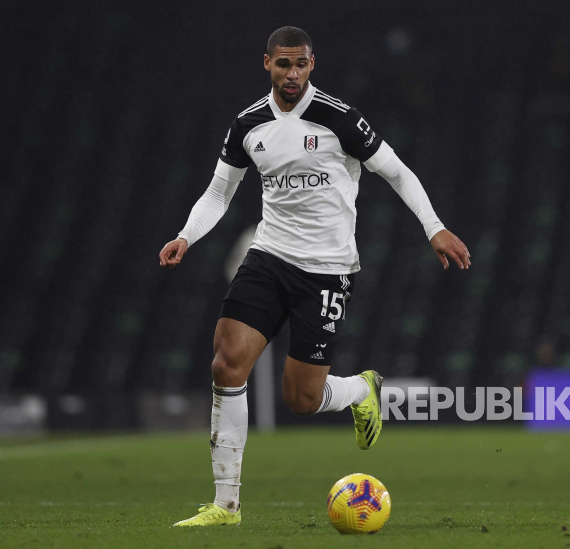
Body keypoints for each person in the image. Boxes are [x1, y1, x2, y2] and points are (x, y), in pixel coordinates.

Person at [158, 26, 471, 527]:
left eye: (301, 64)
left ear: (312, 64)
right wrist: (185, 236)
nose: (292, 73)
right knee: (226, 363)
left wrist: (435, 228)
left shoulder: (339, 118)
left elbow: (397, 172)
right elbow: (220, 193)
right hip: (268, 256)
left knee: (301, 399)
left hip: (326, 270)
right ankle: (226, 505)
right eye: (283, 64)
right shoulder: (248, 125)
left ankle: (360, 391)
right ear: (267, 64)